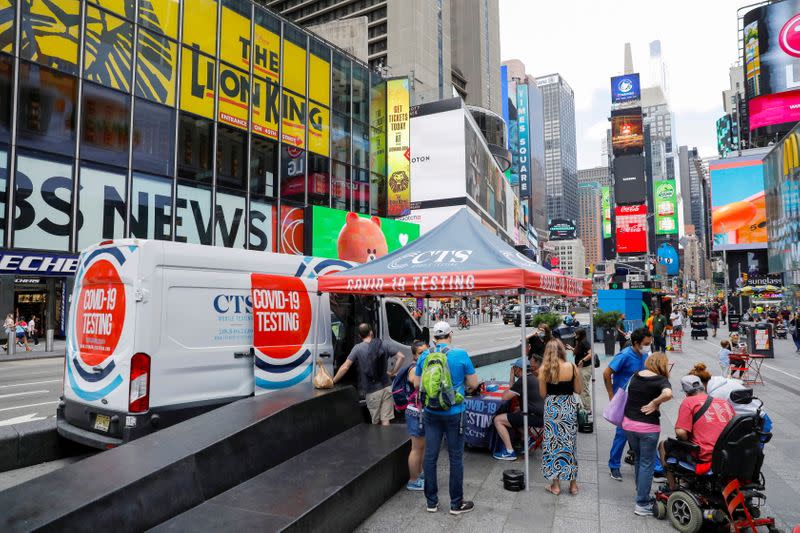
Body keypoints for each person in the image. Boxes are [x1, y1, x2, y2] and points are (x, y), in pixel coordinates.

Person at [410, 321, 477, 515]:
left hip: (431, 413)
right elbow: (473, 383)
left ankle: (431, 502)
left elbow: (416, 383)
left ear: (434, 338)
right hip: (454, 413)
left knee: (430, 457)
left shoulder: (424, 355)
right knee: (456, 458)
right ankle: (456, 504)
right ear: (450, 335)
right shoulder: (460, 354)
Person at [659, 374, 736, 491]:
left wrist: (686, 439)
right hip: (727, 455)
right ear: (703, 387)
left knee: (663, 445)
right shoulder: (724, 403)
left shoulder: (688, 402)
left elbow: (681, 432)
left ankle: (672, 487)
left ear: (686, 392)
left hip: (705, 456)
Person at [623, 352, 673, 515]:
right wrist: (655, 402)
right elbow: (668, 394)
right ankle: (642, 503)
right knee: (647, 463)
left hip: (629, 425)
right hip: (647, 428)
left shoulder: (636, 376)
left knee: (638, 459)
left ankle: (641, 492)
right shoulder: (660, 380)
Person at [603, 327, 653, 482]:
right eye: (645, 343)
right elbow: (606, 373)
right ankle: (614, 466)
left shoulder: (644, 356)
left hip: (639, 400)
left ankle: (651, 464)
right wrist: (611, 395)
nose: (647, 346)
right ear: (636, 343)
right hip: (624, 400)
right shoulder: (624, 355)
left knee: (644, 432)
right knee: (622, 434)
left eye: (649, 343)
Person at [332, 323, 405, 425]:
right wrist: (393, 372)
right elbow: (401, 357)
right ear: (371, 332)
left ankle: (378, 440)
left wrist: (333, 381)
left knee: (375, 421)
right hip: (387, 387)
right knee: (385, 419)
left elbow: (345, 367)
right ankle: (387, 440)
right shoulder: (384, 344)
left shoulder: (357, 348)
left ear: (359, 336)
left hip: (372, 391)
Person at [539, 340, 582, 495]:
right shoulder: (572, 367)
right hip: (568, 407)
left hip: (552, 408)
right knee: (570, 444)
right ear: (563, 350)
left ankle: (556, 486)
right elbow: (578, 389)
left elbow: (543, 394)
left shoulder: (544, 369)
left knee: (552, 445)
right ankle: (573, 485)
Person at [493, 358, 545, 460]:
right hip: (540, 415)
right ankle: (528, 438)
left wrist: (511, 377)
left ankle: (509, 452)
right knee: (514, 412)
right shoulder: (533, 377)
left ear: (518, 369)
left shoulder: (523, 380)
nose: (513, 370)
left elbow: (505, 397)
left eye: (514, 368)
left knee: (497, 419)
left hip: (534, 418)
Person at [405, 340, 429, 491]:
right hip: (415, 413)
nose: (424, 355)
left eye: (426, 352)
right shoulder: (414, 368)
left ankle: (419, 474)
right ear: (414, 356)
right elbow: (415, 382)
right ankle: (413, 480)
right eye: (421, 353)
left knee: (422, 447)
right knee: (416, 448)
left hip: (422, 412)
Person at [573, 328, 593, 413]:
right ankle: (585, 406)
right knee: (581, 387)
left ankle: (588, 409)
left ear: (580, 334)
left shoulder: (584, 342)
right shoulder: (580, 342)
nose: (574, 335)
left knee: (583, 388)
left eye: (576, 334)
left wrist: (583, 360)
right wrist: (572, 348)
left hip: (585, 368)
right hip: (581, 368)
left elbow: (591, 353)